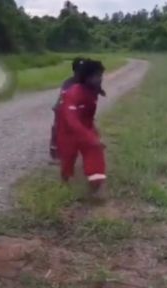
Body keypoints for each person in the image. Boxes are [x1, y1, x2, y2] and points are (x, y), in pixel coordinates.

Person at [56, 59, 108, 199]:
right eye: (97, 76)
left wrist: (94, 133)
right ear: (87, 77)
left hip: (85, 127)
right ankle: (64, 183)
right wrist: (91, 138)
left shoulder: (93, 91)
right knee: (68, 158)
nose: (100, 78)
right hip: (68, 130)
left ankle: (97, 187)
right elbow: (71, 120)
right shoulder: (73, 93)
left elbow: (88, 117)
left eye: (100, 75)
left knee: (95, 151)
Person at [50, 57, 106, 161]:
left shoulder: (87, 81)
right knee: (57, 126)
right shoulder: (69, 82)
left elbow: (95, 88)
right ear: (74, 71)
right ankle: (54, 148)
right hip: (65, 107)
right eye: (78, 71)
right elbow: (64, 98)